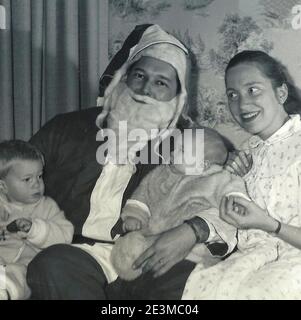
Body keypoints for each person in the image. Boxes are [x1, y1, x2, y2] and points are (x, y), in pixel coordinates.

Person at [26, 24, 218, 300]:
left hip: (147, 256)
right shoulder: (66, 128)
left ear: (177, 96)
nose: (145, 90)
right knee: (54, 264)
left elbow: (217, 199)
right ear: (123, 77)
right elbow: (12, 175)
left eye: (161, 83)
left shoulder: (190, 141)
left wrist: (192, 230)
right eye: (138, 75)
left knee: (196, 280)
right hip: (75, 253)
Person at [182, 50, 301, 299]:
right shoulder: (246, 151)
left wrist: (270, 225)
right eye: (232, 95)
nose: (242, 104)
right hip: (252, 259)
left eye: (253, 90)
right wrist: (230, 180)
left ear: (281, 93)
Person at [111, 127, 249, 281]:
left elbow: (232, 190)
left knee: (183, 275)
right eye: (175, 148)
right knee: (129, 252)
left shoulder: (216, 179)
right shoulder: (162, 173)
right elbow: (144, 192)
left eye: (181, 150)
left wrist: (237, 203)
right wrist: (135, 215)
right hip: (151, 239)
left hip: (192, 252)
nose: (172, 153)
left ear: (202, 165)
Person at [0, 140, 73, 300]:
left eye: (39, 176)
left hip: (27, 265)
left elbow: (66, 235)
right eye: (27, 179)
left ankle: (5, 290)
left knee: (22, 274)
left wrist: (35, 229)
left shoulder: (47, 206)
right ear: (3, 187)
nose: (37, 184)